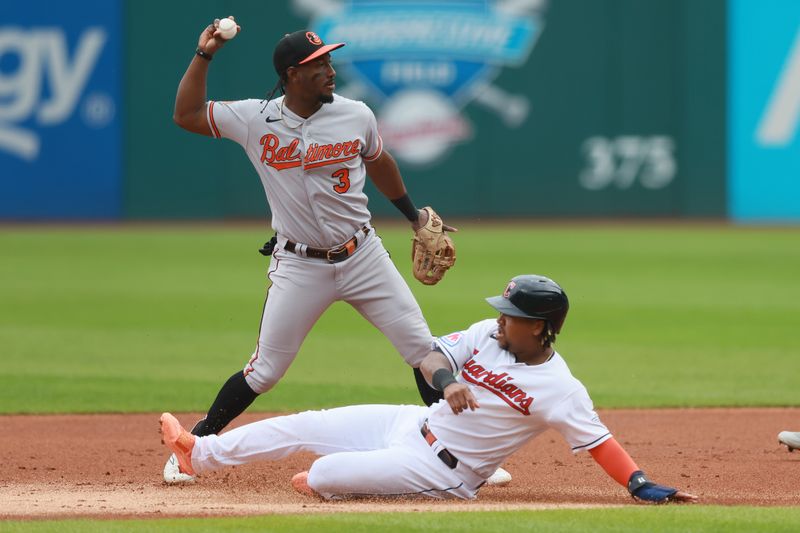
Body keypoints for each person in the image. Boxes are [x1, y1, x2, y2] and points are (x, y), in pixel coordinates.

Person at [164, 18, 457, 482]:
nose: (330, 70)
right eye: (317, 64)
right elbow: (186, 115)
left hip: (363, 256)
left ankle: (456, 453)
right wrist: (205, 55)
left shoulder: (356, 114)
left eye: (329, 60)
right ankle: (195, 446)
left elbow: (379, 161)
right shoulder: (254, 118)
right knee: (264, 371)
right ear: (291, 75)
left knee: (422, 350)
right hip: (299, 264)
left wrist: (412, 215)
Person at [160, 274, 698, 503]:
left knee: (321, 474)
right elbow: (431, 354)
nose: (500, 319)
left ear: (540, 326)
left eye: (512, 315)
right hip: (409, 423)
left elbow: (599, 442)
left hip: (445, 471)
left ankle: (344, 480)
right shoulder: (489, 334)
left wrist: (641, 485)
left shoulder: (561, 389)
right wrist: (448, 381)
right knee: (307, 424)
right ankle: (198, 453)